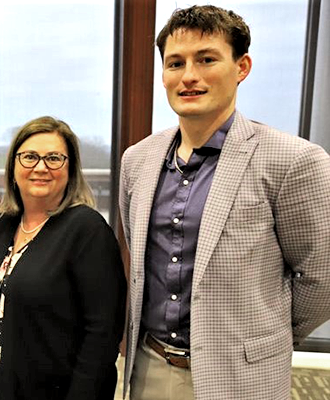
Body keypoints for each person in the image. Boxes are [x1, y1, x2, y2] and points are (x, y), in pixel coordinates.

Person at [120, 5, 330, 400]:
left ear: (242, 67)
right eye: (175, 63)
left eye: (207, 59)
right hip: (149, 367)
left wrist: (265, 334)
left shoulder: (292, 161)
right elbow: (139, 254)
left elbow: (322, 277)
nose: (189, 76)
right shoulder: (138, 160)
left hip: (241, 377)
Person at [0, 116, 126, 399]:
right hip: (2, 387)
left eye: (54, 158)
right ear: (13, 167)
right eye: (30, 157)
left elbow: (102, 335)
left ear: (70, 169)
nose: (41, 167)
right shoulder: (2, 226)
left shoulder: (87, 230)